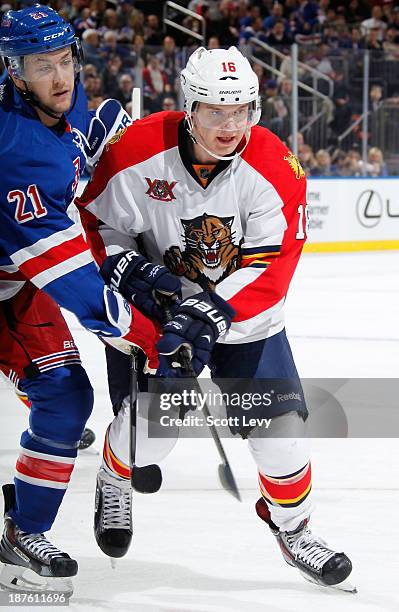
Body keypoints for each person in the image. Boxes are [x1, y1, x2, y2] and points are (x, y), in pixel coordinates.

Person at [77, 46, 354, 590]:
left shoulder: (275, 166)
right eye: (215, 111)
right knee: (151, 441)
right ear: (189, 107)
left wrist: (211, 311)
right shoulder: (136, 150)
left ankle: (293, 528)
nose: (231, 126)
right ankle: (115, 475)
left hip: (246, 324)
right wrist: (128, 266)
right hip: (162, 317)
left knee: (281, 440)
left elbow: (273, 264)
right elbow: (94, 223)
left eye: (243, 110)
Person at [0, 5, 162, 595]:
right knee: (61, 396)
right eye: (43, 66)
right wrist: (145, 333)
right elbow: (73, 281)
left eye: (66, 59)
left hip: (13, 281)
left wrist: (95, 141)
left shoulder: (55, 100)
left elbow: (77, 137)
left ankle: (24, 529)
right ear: (14, 73)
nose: (62, 76)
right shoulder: (18, 153)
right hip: (22, 273)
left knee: (66, 398)